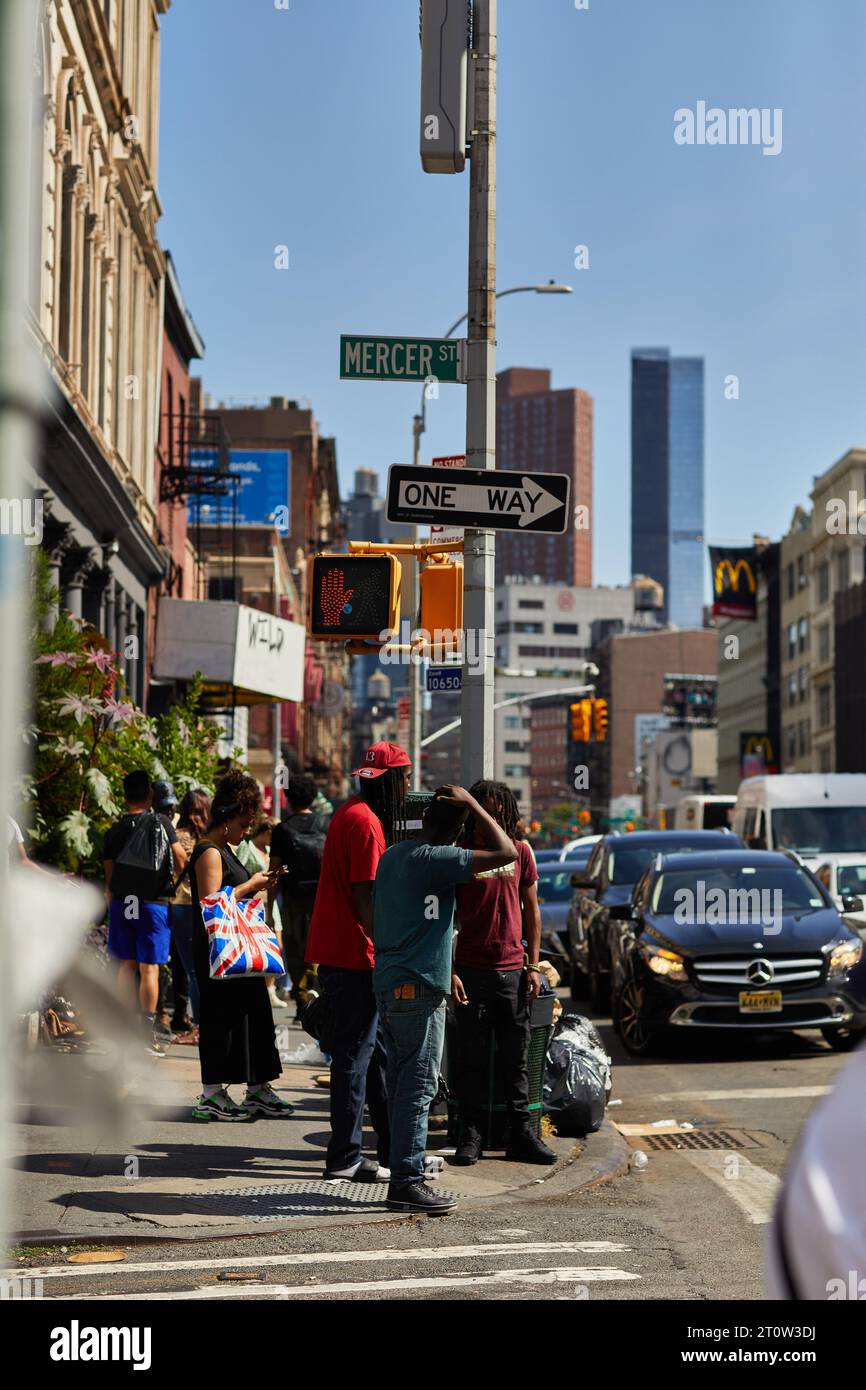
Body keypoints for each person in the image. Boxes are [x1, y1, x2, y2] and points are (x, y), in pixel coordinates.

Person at [373, 785, 517, 1214]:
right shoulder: (438, 858)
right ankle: (407, 1182)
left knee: (401, 1086)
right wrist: (475, 806)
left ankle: (402, 1172)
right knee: (418, 1087)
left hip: (393, 984)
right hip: (418, 990)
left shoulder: (395, 855)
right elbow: (507, 851)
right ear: (456, 833)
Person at [305, 741, 411, 1181]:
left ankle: (393, 1153)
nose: (407, 786)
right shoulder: (366, 825)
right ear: (388, 781)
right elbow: (366, 895)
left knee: (377, 1055)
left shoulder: (349, 813)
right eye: (403, 777)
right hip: (355, 955)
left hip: (343, 951)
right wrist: (391, 947)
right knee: (354, 1056)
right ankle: (345, 1157)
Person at [452, 779, 556, 1166]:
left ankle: (523, 1136)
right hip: (471, 972)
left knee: (515, 1061)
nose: (492, 820)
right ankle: (471, 1135)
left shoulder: (521, 853)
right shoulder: (460, 854)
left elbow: (532, 911)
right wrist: (451, 970)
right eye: (485, 813)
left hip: (512, 970)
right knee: (471, 1060)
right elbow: (448, 917)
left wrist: (532, 965)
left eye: (499, 813)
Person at [188, 770, 294, 1121]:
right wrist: (251, 884)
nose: (247, 830)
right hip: (219, 953)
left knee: (253, 1014)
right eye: (245, 823)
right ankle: (212, 1093)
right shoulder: (210, 852)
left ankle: (257, 1086)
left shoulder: (223, 849)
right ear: (228, 816)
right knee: (222, 1019)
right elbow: (212, 902)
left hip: (236, 953)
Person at [103, 770, 187, 1056]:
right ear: (150, 794)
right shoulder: (161, 823)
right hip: (154, 903)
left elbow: (110, 876)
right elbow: (180, 859)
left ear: (124, 796)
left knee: (125, 966)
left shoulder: (114, 830)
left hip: (124, 903)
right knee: (149, 968)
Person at [268, 772, 329, 1004]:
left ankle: (303, 995)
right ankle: (314, 987)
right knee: (319, 943)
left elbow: (274, 870)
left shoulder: (282, 830)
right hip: (322, 898)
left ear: (288, 799)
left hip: (292, 897)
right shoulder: (325, 824)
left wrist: (271, 905)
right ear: (313, 797)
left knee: (294, 948)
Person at [170, 787, 211, 1038]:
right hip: (210, 907)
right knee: (207, 968)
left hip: (182, 906)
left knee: (192, 970)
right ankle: (207, 1023)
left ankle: (199, 1026)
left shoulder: (177, 836)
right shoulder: (214, 838)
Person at [235, 817, 288, 1011]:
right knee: (257, 945)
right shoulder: (246, 848)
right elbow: (238, 873)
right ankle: (261, 989)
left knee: (276, 944)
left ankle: (270, 989)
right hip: (253, 903)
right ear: (267, 832)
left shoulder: (268, 851)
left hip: (269, 902)